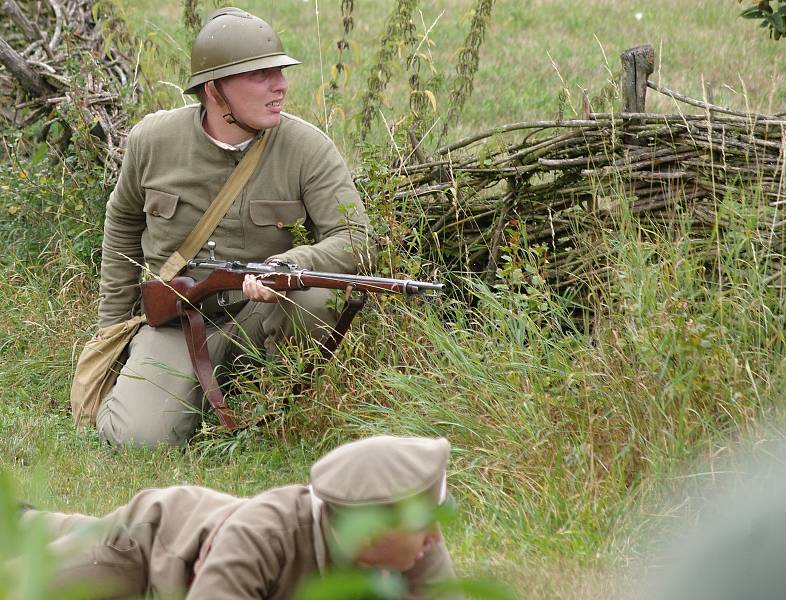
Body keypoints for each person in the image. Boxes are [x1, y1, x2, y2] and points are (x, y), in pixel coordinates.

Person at [93, 6, 373, 446]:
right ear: (215, 91)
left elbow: (356, 239)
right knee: (138, 440)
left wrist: (288, 263)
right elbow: (123, 221)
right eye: (260, 75)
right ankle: (174, 393)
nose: (280, 85)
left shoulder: (307, 148)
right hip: (178, 320)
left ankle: (269, 403)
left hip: (262, 317)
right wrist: (111, 331)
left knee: (319, 296)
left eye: (279, 71)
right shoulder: (152, 141)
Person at [20, 435, 460, 600]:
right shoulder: (267, 533)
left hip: (198, 524)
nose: (436, 538)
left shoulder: (416, 556)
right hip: (149, 548)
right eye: (424, 524)